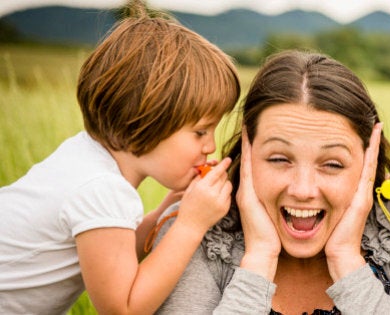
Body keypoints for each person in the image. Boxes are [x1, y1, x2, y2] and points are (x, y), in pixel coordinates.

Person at [153, 50, 390, 314]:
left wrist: (347, 262)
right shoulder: (192, 232)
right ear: (247, 153)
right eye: (279, 159)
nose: (302, 190)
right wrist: (258, 260)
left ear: (368, 161)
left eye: (333, 164)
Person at [0, 2, 240, 314]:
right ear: (148, 118)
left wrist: (166, 214)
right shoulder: (102, 188)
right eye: (200, 132)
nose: (210, 145)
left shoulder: (84, 158)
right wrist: (192, 225)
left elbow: (114, 251)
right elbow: (123, 309)